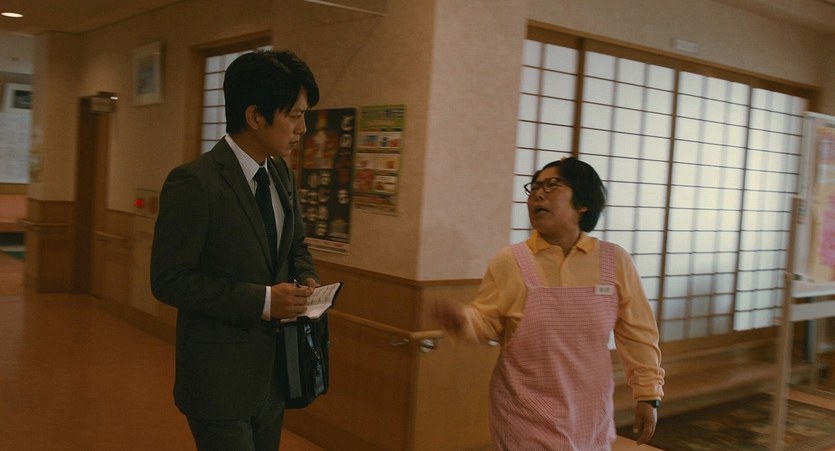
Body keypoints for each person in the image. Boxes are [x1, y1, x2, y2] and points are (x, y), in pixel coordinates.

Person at [428, 157, 665, 450]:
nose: (538, 195)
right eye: (535, 187)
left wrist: (648, 394)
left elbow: (638, 332)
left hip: (589, 411)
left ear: (583, 203)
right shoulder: (511, 260)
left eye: (552, 185)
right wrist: (462, 320)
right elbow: (486, 322)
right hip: (524, 411)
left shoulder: (614, 260)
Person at [151, 50, 320, 451]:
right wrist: (265, 301)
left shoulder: (280, 173)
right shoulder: (195, 182)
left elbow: (295, 244)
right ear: (255, 116)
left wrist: (306, 276)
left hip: (273, 376)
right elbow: (170, 280)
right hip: (218, 380)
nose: (303, 128)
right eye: (294, 116)